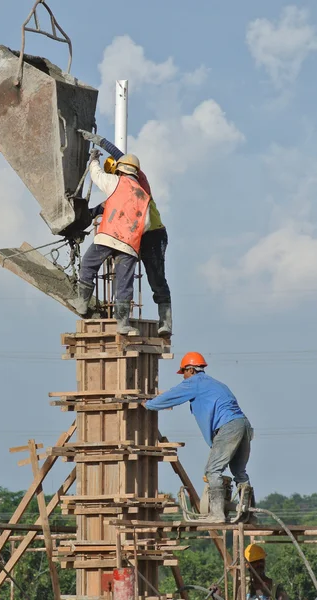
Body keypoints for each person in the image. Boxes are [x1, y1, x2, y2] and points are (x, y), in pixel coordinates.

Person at [78, 129, 172, 337]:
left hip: (152, 235)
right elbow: (106, 206)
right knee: (125, 278)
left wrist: (101, 142)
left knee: (156, 278)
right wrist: (85, 218)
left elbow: (120, 155)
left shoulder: (140, 183)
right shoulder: (123, 189)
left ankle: (165, 322)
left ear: (120, 172)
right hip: (132, 236)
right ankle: (124, 320)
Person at [143, 351, 253, 523]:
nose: (183, 378)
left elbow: (172, 396)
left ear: (191, 370)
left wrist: (148, 404)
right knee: (239, 472)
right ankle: (248, 515)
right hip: (243, 425)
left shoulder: (195, 382)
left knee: (212, 471)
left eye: (183, 373)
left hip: (229, 427)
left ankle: (217, 514)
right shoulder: (216, 384)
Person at [74, 149, 151, 335]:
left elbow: (97, 175)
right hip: (129, 245)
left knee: (88, 265)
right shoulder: (144, 196)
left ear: (120, 170)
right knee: (124, 283)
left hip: (108, 235)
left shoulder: (116, 182)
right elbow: (146, 224)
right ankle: (122, 323)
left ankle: (82, 303)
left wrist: (93, 161)